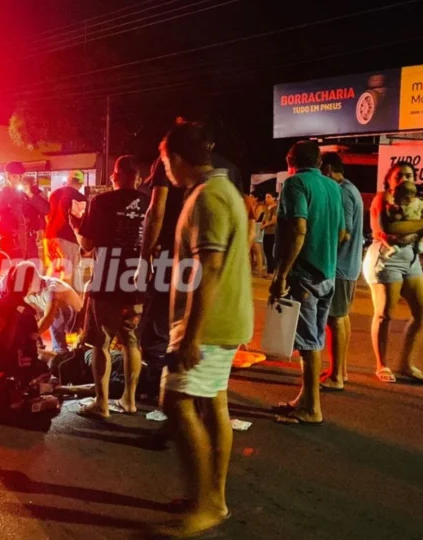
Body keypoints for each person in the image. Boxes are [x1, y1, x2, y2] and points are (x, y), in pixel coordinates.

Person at [153, 121, 252, 537]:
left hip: (209, 326)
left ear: (175, 159)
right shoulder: (222, 191)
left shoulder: (209, 198)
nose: (166, 171)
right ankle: (213, 498)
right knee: (213, 406)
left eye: (164, 162)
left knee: (175, 400)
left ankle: (207, 505)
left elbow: (209, 268)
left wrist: (190, 336)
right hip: (226, 319)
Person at [270, 141, 345, 425]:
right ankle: (304, 398)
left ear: (290, 160)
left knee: (308, 343)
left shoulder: (295, 184)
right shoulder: (333, 187)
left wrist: (282, 275)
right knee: (314, 338)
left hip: (304, 274)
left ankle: (311, 408)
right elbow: (341, 232)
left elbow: (299, 229)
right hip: (327, 273)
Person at [74, 155, 149, 419]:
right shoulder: (148, 202)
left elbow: (87, 245)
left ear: (115, 176)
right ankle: (129, 400)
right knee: (130, 340)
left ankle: (102, 403)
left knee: (100, 342)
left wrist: (75, 226)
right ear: (137, 178)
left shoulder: (101, 202)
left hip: (107, 279)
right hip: (137, 280)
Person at [362, 162, 423, 385]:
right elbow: (390, 230)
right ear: (389, 180)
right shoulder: (383, 198)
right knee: (385, 314)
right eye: (399, 175)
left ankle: (406, 364)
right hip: (386, 259)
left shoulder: (417, 202)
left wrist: (418, 227)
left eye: (409, 175)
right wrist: (422, 224)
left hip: (410, 258)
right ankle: (381, 364)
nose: (405, 178)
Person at [139, 157, 186, 398]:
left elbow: (156, 210)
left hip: (171, 257)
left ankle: (159, 385)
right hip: (206, 263)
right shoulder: (229, 169)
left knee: (155, 325)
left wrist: (144, 256)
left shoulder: (170, 161)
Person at [319, 152, 363, 390]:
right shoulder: (350, 189)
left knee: (335, 320)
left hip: (340, 266)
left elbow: (342, 232)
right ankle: (340, 370)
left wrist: (321, 252)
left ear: (326, 169)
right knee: (340, 318)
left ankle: (336, 376)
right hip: (348, 266)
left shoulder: (343, 192)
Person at [0, 161, 49, 261]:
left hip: (29, 244)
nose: (11, 180)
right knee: (12, 275)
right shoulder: (3, 195)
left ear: (22, 176)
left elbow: (46, 209)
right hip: (10, 245)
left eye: (15, 177)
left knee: (30, 273)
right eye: (8, 177)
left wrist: (30, 194)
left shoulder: (33, 192)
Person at [375, 181, 423, 268]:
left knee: (381, 235)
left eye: (397, 198)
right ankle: (421, 244)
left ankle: (392, 247)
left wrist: (390, 211)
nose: (394, 200)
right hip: (415, 234)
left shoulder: (403, 207)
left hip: (404, 237)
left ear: (407, 198)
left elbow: (395, 219)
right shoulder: (419, 202)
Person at [46, 170, 87, 289]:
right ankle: (68, 303)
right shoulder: (79, 197)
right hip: (68, 239)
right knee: (69, 274)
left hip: (50, 237)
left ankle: (51, 300)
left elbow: (47, 215)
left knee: (54, 271)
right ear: (80, 183)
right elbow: (80, 221)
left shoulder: (54, 194)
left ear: (68, 180)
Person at [25, 272, 83, 354]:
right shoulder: (29, 293)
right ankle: (38, 346)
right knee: (27, 315)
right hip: (62, 317)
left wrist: (30, 337)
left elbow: (49, 318)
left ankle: (60, 350)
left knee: (55, 312)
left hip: (77, 317)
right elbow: (32, 316)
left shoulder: (51, 288)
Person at [261, 192, 278, 275]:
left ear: (274, 198)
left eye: (268, 197)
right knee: (266, 251)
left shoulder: (275, 208)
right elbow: (264, 218)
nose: (266, 199)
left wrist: (264, 226)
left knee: (270, 251)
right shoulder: (267, 208)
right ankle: (269, 270)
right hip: (267, 232)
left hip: (272, 232)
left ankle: (271, 272)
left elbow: (274, 220)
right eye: (266, 197)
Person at [249, 196, 266, 276]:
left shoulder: (260, 207)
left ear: (256, 198)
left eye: (251, 197)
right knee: (251, 250)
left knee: (257, 249)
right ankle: (251, 269)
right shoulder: (253, 205)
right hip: (252, 227)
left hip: (257, 227)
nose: (250, 198)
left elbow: (255, 217)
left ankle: (260, 271)